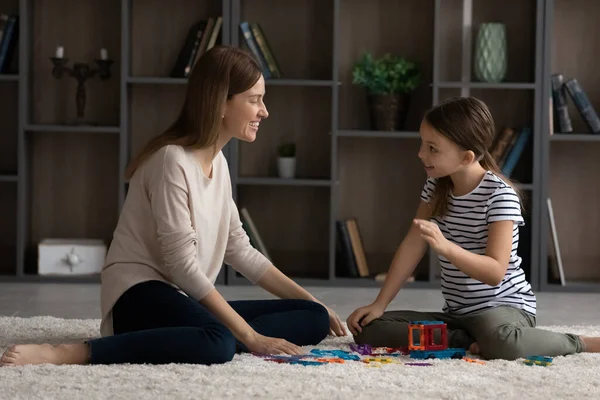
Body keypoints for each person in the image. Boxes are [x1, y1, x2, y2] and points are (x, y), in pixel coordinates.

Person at [1, 45, 346, 367]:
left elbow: (240, 250)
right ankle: (71, 352)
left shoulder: (220, 164)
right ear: (221, 102)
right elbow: (181, 268)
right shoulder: (172, 161)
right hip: (138, 296)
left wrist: (316, 302)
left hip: (184, 298)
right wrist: (251, 337)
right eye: (255, 100)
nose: (264, 111)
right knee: (219, 344)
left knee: (312, 317)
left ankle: (181, 337)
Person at [346, 96, 600, 361]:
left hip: (505, 309)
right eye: (422, 144)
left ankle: (579, 343)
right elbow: (413, 244)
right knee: (368, 328)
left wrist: (446, 247)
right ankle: (471, 340)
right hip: (458, 315)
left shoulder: (500, 197)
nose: (421, 154)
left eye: (432, 148)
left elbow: (494, 272)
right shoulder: (435, 188)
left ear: (466, 157)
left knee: (505, 344)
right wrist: (380, 304)